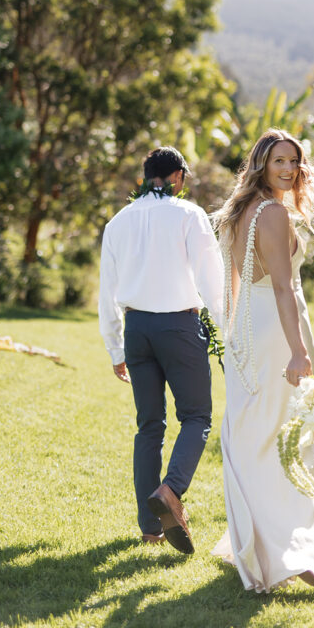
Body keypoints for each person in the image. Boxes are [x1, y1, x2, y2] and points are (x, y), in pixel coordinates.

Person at [212, 128, 314, 592]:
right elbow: (282, 287)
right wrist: (298, 351)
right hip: (277, 329)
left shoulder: (239, 212)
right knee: (290, 437)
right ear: (260, 163)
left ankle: (266, 544)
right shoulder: (273, 213)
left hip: (248, 329)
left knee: (256, 434)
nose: (288, 169)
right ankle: (297, 552)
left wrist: (235, 337)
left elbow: (234, 283)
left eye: (293, 162)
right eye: (279, 161)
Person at [98, 146, 224, 553]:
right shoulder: (190, 215)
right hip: (179, 325)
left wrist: (115, 347)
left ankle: (150, 527)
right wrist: (228, 332)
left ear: (145, 176)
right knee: (197, 416)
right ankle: (171, 491)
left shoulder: (117, 222)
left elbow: (107, 293)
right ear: (179, 177)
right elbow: (211, 279)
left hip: (137, 329)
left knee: (149, 426)